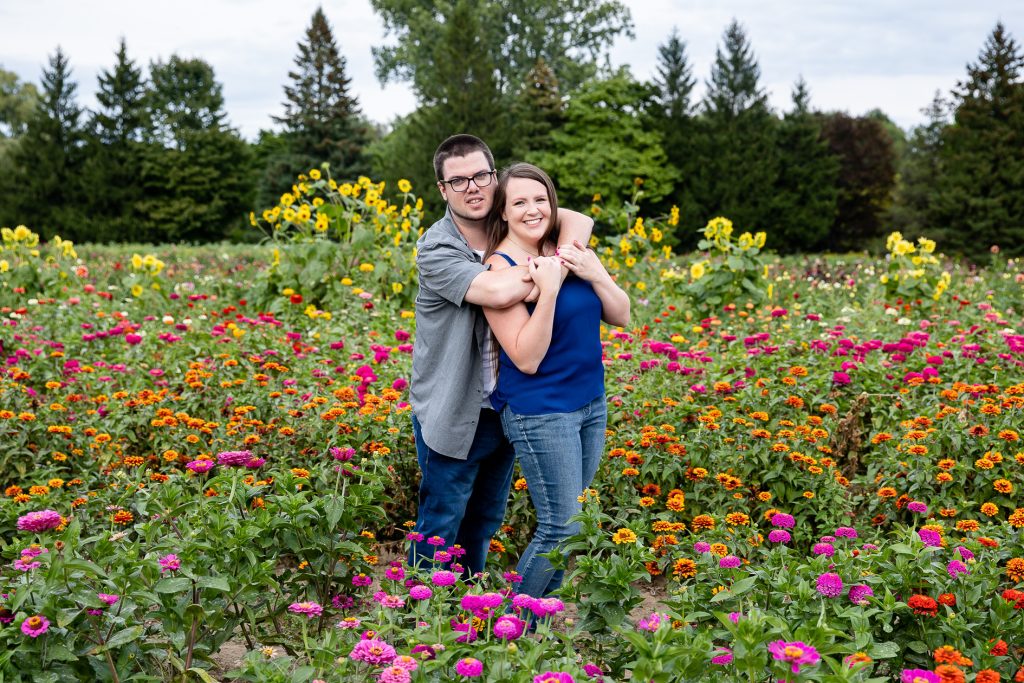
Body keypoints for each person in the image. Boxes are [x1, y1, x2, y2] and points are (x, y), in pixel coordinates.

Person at [408, 135, 594, 577]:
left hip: (505, 405)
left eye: (480, 176)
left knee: (485, 519)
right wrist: (551, 271)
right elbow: (494, 289)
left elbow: (576, 217)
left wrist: (555, 258)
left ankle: (466, 611)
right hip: (455, 407)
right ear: (442, 189)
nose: (472, 187)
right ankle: (418, 618)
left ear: (494, 176)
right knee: (441, 520)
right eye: (458, 181)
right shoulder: (437, 248)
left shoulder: (507, 225)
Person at [482, 162, 630, 598]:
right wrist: (547, 290)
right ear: (503, 213)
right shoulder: (499, 271)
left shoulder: (565, 248)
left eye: (541, 199)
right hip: (541, 410)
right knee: (559, 527)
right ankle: (509, 629)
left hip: (590, 403)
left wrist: (593, 272)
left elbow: (621, 315)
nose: (533, 209)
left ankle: (537, 630)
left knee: (574, 527)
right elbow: (526, 358)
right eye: (520, 202)